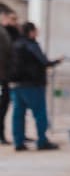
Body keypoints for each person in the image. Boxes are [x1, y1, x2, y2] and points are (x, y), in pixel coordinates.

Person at [9, 22, 62, 151]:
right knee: (39, 114)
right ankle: (42, 141)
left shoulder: (15, 44)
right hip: (32, 84)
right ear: (31, 32)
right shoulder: (31, 45)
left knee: (18, 114)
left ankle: (18, 142)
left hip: (16, 84)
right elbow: (44, 62)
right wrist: (57, 61)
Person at [0, 4, 16, 145]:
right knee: (1, 104)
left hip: (4, 77)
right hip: (1, 78)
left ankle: (1, 134)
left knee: (3, 104)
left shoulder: (6, 31)